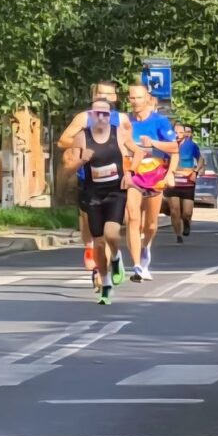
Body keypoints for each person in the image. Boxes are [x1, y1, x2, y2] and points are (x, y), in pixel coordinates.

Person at [63, 98, 145, 304]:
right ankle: (106, 283)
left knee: (111, 233)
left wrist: (130, 173)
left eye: (105, 114)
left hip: (115, 191)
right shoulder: (82, 137)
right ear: (91, 115)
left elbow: (139, 151)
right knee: (98, 243)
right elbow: (67, 171)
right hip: (92, 193)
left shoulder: (119, 134)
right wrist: (82, 160)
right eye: (97, 113)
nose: (101, 117)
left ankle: (116, 257)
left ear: (110, 116)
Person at [57, 81, 133, 274]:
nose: (104, 97)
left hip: (116, 180)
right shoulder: (84, 118)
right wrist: (85, 146)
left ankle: (108, 266)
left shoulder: (122, 119)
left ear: (115, 98)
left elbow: (129, 148)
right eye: (100, 93)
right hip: (89, 178)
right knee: (89, 225)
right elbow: (63, 141)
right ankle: (90, 248)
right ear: (94, 96)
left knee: (112, 227)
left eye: (109, 94)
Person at [125, 84, 179, 282]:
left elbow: (174, 147)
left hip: (155, 175)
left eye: (139, 98)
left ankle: (146, 246)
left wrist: (153, 144)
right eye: (132, 98)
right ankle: (137, 265)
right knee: (132, 218)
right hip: (133, 175)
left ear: (147, 99)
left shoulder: (160, 121)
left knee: (151, 224)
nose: (135, 102)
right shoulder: (125, 122)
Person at [165, 123, 203, 243]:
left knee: (187, 212)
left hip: (187, 182)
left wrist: (195, 171)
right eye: (175, 132)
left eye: (181, 132)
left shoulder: (191, 145)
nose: (178, 135)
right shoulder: (167, 145)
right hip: (172, 181)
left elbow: (200, 159)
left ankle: (186, 223)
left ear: (185, 134)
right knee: (174, 210)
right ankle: (178, 235)